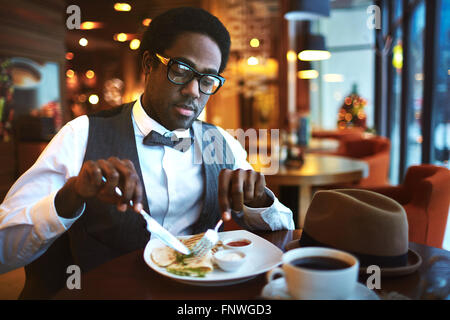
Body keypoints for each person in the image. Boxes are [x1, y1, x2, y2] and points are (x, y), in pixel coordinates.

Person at [0, 7, 294, 298]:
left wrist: (259, 201)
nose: (194, 90)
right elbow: (4, 251)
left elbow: (285, 226)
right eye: (181, 70)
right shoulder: (82, 135)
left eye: (207, 80)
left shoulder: (218, 142)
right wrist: (72, 195)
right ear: (149, 65)